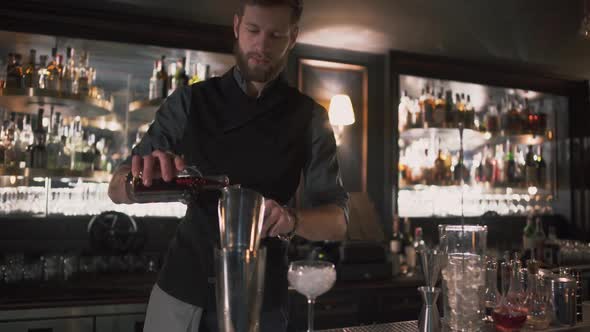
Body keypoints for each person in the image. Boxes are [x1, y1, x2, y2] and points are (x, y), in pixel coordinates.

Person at [108, 0, 349, 331]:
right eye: (253, 30)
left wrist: (291, 220)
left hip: (263, 300)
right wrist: (138, 178)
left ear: (293, 37)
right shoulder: (189, 101)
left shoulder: (310, 118)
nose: (261, 45)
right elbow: (116, 189)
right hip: (182, 292)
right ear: (237, 27)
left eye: (275, 34)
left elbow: (337, 222)